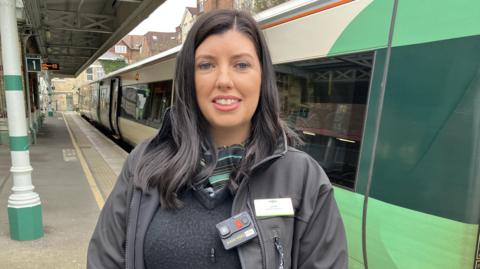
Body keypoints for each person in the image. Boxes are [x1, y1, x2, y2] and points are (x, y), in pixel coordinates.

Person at [87, 9, 347, 269]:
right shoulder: (143, 164)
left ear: (263, 77)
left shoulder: (303, 178)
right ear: (190, 79)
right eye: (206, 65)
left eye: (242, 65)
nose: (224, 80)